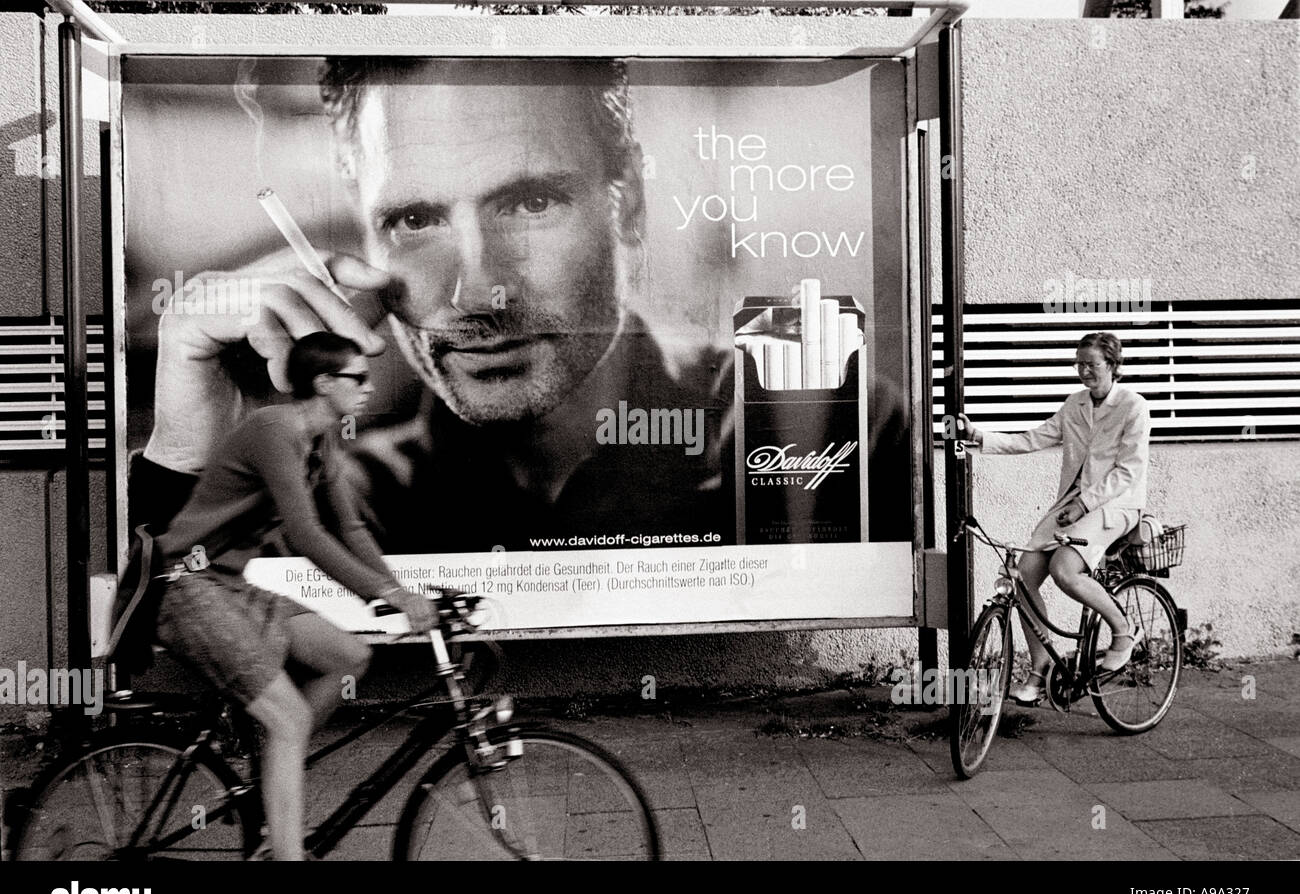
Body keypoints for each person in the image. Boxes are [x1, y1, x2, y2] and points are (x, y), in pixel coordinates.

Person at [133, 57, 910, 551]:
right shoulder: (354, 499)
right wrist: (182, 443)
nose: (476, 293)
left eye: (530, 202)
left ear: (629, 205)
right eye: (414, 219)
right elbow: (166, 621)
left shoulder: (822, 421)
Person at [153, 332, 436, 860]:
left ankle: (274, 790)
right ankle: (283, 849)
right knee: (291, 719)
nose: (369, 387)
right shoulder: (273, 431)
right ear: (324, 383)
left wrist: (400, 590)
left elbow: (349, 528)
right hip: (183, 586)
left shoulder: (321, 439)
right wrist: (386, 595)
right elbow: (307, 535)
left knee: (348, 657)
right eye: (358, 378)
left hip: (231, 587)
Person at [959, 332, 1151, 704]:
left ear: (1113, 365)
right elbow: (1035, 438)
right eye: (1079, 364)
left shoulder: (1133, 406)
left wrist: (1084, 505)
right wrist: (979, 436)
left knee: (1064, 570)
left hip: (1117, 505)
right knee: (1023, 577)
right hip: (1073, 505)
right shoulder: (1076, 404)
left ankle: (1123, 629)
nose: (1083, 371)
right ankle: (1040, 669)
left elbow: (1128, 471)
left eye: (1091, 364)